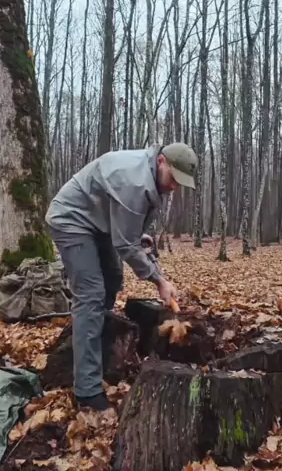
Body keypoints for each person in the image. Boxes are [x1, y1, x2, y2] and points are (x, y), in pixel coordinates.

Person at [45, 142, 198, 411]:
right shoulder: (135, 181)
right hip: (72, 220)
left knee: (113, 279)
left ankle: (96, 339)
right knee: (91, 295)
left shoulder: (149, 177)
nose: (174, 186)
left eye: (180, 182)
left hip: (97, 221)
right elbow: (125, 245)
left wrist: (140, 239)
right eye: (173, 178)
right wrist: (159, 281)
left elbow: (125, 225)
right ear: (161, 161)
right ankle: (87, 390)